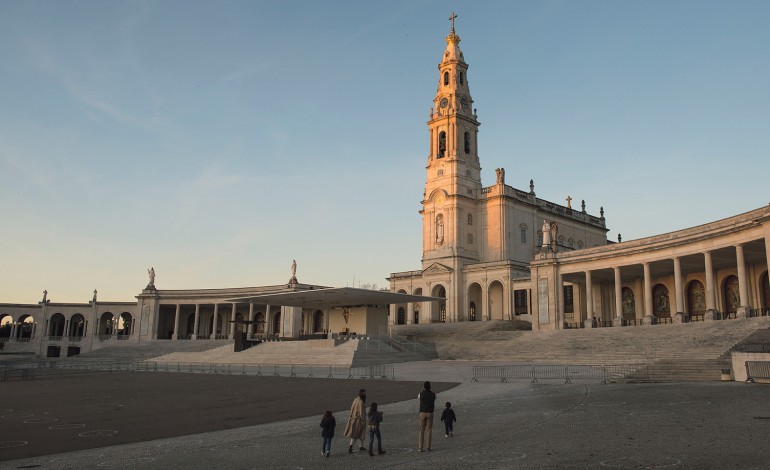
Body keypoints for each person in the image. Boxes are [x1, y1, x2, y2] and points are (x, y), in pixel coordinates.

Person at [344, 389, 367, 453]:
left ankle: (359, 446)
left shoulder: (356, 399)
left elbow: (351, 408)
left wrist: (351, 416)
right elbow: (361, 412)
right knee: (358, 434)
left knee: (358, 433)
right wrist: (363, 421)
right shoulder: (361, 402)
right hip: (359, 420)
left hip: (354, 418)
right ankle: (353, 446)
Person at [417, 381, 436, 452]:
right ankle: (428, 447)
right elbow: (435, 397)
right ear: (430, 386)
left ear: (424, 387)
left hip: (422, 412)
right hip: (430, 412)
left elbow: (418, 397)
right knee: (429, 430)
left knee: (421, 430)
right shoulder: (433, 394)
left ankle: (420, 447)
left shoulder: (421, 394)